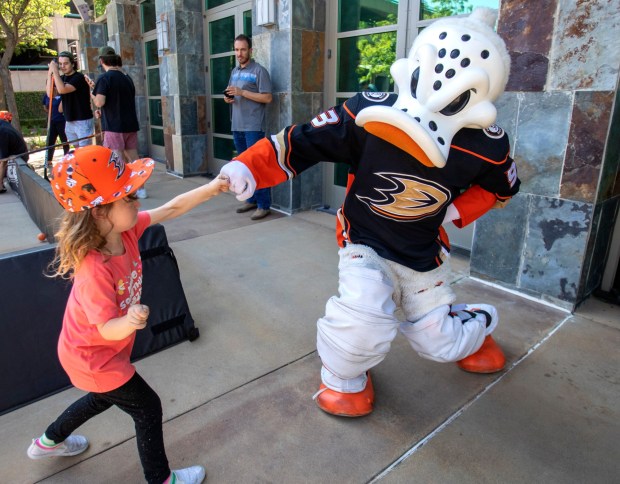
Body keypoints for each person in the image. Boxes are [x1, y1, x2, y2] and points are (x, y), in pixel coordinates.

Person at [221, 8, 520, 417]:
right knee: (359, 321)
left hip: (423, 253)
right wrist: (249, 166)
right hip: (365, 239)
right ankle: (344, 374)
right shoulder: (371, 110)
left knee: (440, 342)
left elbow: (502, 187)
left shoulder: (486, 143)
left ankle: (477, 322)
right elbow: (304, 140)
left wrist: (457, 210)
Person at [27, 145, 228, 483]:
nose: (137, 200)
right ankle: (161, 479)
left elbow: (171, 207)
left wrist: (212, 187)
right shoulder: (93, 268)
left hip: (95, 353)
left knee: (101, 399)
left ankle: (48, 443)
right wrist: (131, 320)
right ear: (99, 213)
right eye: (128, 197)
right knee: (147, 408)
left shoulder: (127, 231)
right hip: (94, 357)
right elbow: (106, 329)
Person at [86, 46, 147, 198]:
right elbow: (116, 100)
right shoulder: (127, 78)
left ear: (102, 61)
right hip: (130, 124)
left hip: (114, 126)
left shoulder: (104, 78)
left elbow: (99, 101)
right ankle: (141, 189)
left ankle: (122, 191)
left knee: (116, 159)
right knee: (133, 157)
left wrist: (92, 93)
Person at [224, 34, 273, 221]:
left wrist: (242, 92)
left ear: (250, 51)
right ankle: (251, 199)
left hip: (253, 126)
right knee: (243, 166)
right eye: (236, 50)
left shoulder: (259, 71)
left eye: (243, 49)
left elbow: (267, 97)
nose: (239, 53)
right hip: (237, 125)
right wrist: (228, 98)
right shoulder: (234, 72)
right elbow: (231, 93)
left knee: (257, 165)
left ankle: (263, 204)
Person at [48, 51, 93, 148]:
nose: (62, 66)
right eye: (60, 64)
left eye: (66, 63)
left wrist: (55, 72)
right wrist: (50, 74)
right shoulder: (62, 78)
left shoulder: (79, 78)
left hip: (82, 119)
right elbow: (50, 94)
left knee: (84, 151)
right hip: (69, 120)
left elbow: (62, 89)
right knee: (76, 150)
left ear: (72, 64)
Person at [0, 111, 29, 193]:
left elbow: (3, 161)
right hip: (16, 156)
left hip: (18, 159)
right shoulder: (3, 125)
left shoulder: (3, 132)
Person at [42, 89, 70, 166]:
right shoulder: (47, 96)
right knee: (50, 141)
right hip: (52, 121)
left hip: (62, 121)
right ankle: (48, 160)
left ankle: (66, 158)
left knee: (64, 140)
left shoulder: (61, 95)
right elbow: (45, 107)